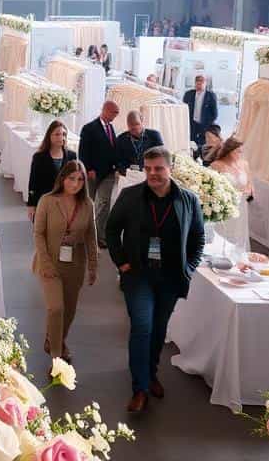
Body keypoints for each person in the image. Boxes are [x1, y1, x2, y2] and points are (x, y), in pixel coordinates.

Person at [105, 146, 205, 413]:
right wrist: (121, 262)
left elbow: (198, 239)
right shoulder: (129, 196)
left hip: (171, 278)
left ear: (170, 169)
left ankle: (151, 375)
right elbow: (112, 229)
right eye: (148, 169)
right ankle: (139, 388)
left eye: (158, 169)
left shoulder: (188, 200)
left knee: (159, 330)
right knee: (142, 326)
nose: (152, 174)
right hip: (138, 276)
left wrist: (189, 268)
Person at [33, 160, 98, 362]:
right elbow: (38, 234)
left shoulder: (87, 205)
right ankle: (56, 356)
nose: (75, 184)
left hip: (74, 266)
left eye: (80, 180)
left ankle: (56, 340)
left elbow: (91, 237)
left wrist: (93, 266)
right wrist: (45, 262)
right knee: (56, 308)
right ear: (63, 179)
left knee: (68, 311)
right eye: (71, 179)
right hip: (49, 262)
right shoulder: (47, 200)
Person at [78, 101, 121, 248]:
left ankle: (99, 237)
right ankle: (84, 233)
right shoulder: (89, 128)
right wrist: (88, 169)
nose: (116, 116)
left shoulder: (111, 127)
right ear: (106, 110)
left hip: (108, 173)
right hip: (93, 174)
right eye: (115, 113)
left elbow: (112, 149)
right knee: (88, 204)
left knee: (104, 203)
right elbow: (83, 152)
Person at [27, 120, 78, 220]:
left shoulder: (72, 155)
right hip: (44, 202)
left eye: (64, 134)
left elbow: (74, 180)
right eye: (57, 134)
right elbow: (33, 182)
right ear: (49, 136)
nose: (61, 137)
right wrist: (31, 205)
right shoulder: (39, 157)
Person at [183, 74, 218, 150]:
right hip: (192, 124)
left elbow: (214, 114)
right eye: (197, 83)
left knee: (202, 146)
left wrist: (208, 124)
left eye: (202, 83)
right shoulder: (188, 94)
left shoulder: (210, 95)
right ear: (195, 83)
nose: (199, 85)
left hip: (204, 125)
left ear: (205, 84)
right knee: (191, 144)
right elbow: (184, 109)